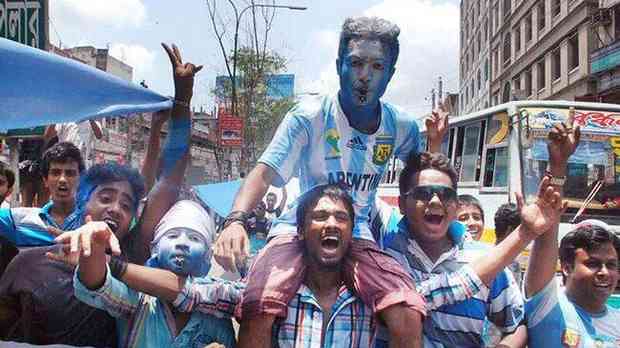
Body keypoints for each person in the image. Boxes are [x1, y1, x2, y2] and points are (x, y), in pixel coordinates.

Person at [213, 16, 449, 347]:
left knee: (408, 313)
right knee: (258, 306)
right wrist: (235, 221)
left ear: (390, 74)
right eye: (356, 63)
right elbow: (265, 171)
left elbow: (420, 179)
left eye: (377, 66)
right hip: (296, 231)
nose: (365, 75)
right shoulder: (307, 116)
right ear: (339, 65)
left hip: (359, 235)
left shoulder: (402, 126)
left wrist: (435, 146)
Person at [0, 42, 201, 347]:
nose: (116, 209)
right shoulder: (26, 264)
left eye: (126, 204)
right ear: (83, 205)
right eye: (106, 198)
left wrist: (183, 101)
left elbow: (170, 179)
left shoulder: (132, 262)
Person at [379, 151, 565, 347]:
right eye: (423, 193)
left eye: (446, 194)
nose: (435, 201)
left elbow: (518, 325)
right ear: (401, 204)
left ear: (456, 205)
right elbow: (414, 302)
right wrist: (524, 234)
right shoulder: (383, 258)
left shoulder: (484, 258)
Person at [64, 200, 236, 348]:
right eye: (173, 235)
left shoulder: (215, 313)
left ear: (207, 254)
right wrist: (94, 250)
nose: (182, 243)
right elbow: (98, 285)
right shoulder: (140, 298)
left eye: (194, 238)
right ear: (155, 248)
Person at [523, 115, 620, 347]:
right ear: (565, 267)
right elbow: (548, 233)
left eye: (612, 265)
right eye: (593, 263)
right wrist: (558, 163)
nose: (605, 272)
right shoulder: (548, 306)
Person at [0, 141, 85, 247]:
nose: (62, 179)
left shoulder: (92, 222)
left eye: (70, 173)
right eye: (55, 173)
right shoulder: (18, 221)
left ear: (81, 180)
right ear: (45, 180)